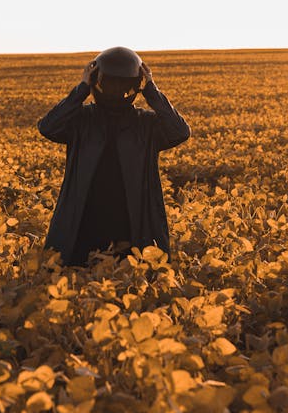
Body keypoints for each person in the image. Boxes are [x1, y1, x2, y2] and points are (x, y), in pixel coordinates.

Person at [38, 47, 190, 266]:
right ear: (97, 82)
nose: (116, 90)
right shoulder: (82, 120)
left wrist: (152, 91)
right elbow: (48, 127)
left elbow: (181, 131)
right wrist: (81, 89)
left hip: (130, 223)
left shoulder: (146, 124)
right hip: (84, 222)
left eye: (123, 84)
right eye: (110, 83)